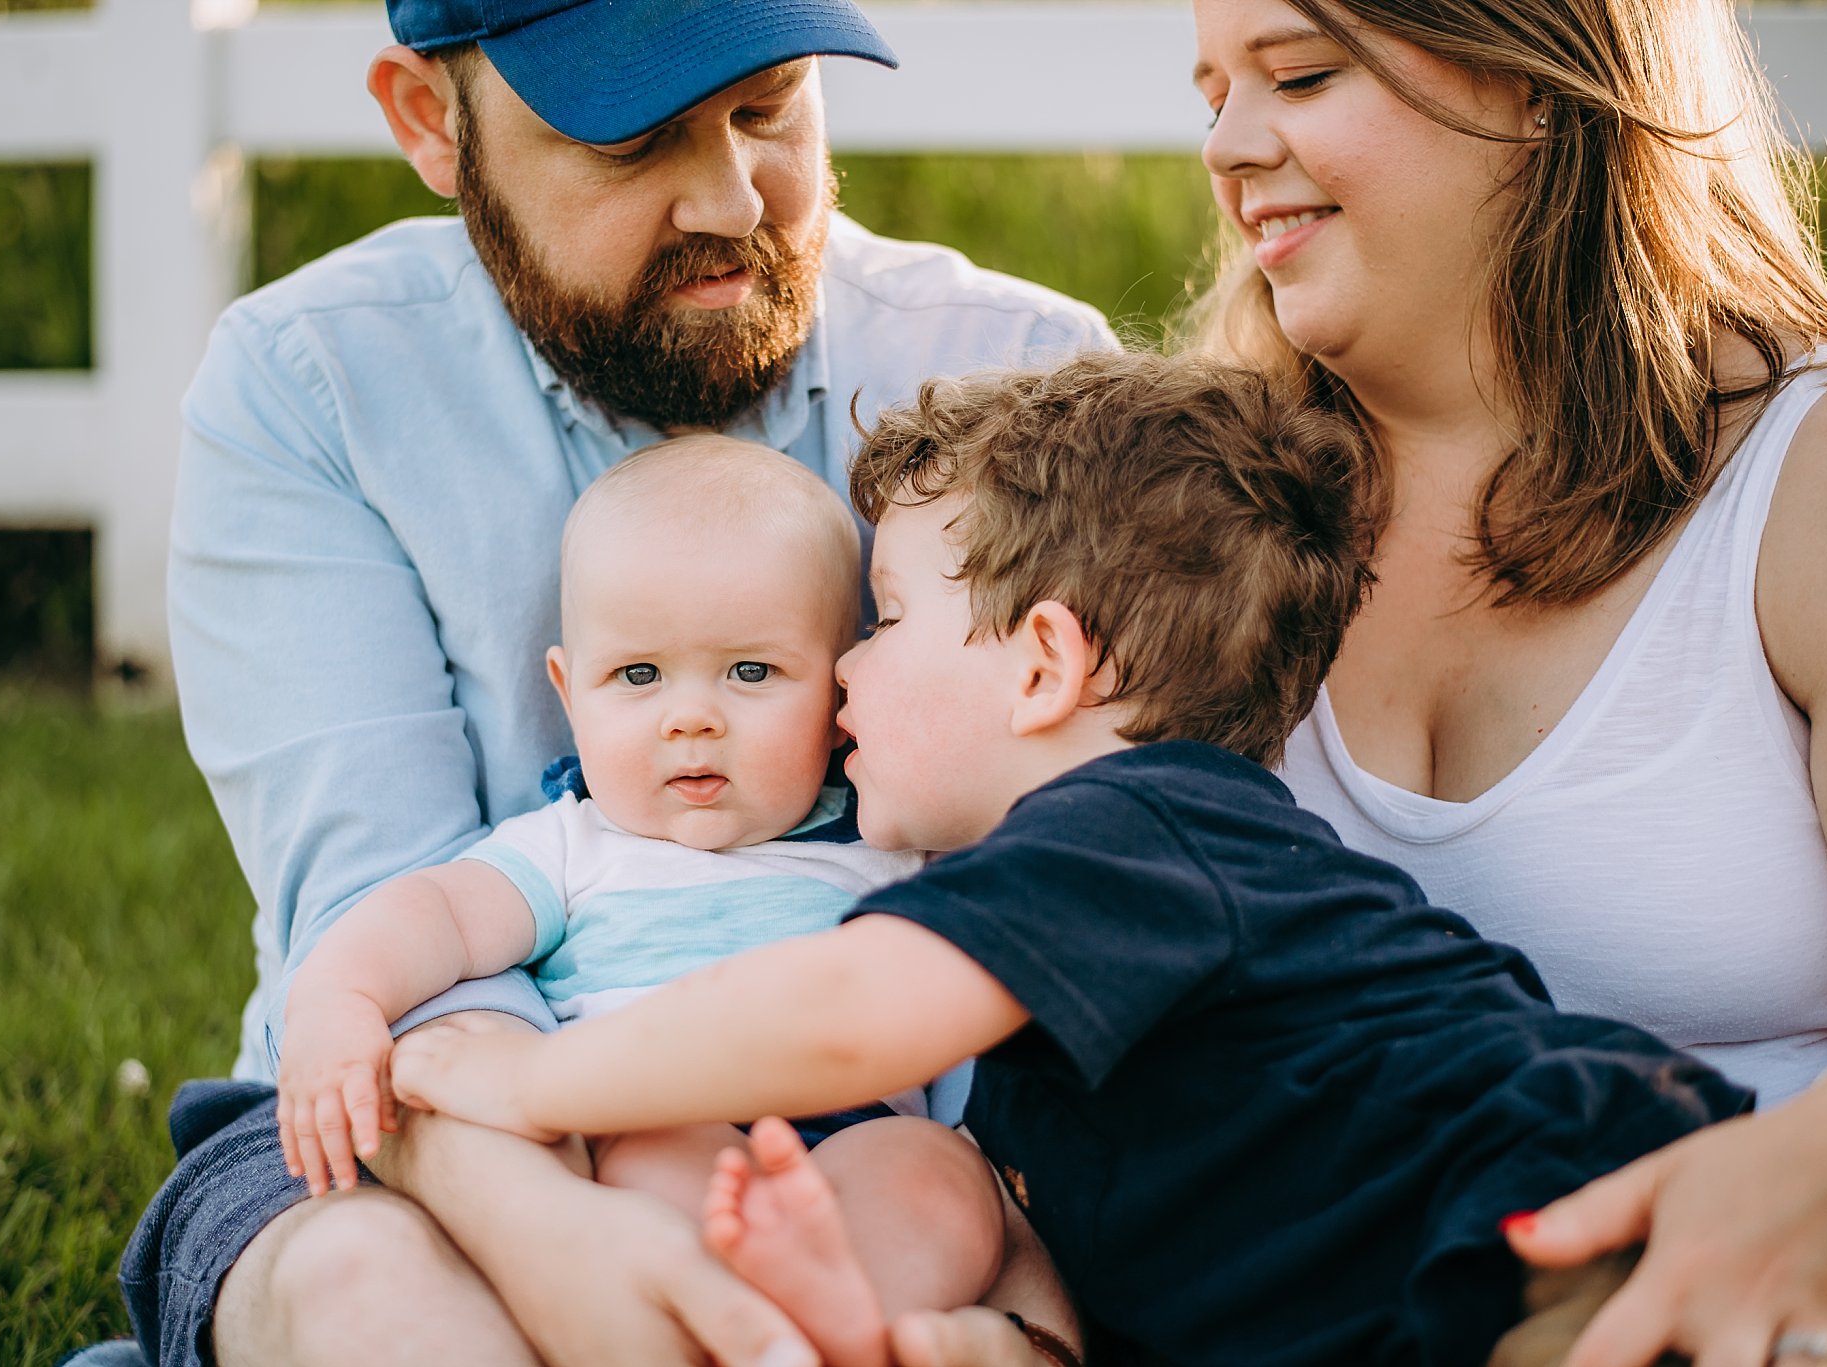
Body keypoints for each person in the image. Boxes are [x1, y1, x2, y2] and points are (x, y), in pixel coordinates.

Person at [385, 350, 1755, 1367]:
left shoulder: (1136, 823)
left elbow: (841, 1017)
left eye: (888, 619)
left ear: (1042, 662)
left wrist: (538, 1075)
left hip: (1544, 1208)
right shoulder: (1074, 942)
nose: (845, 669)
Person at [108, 0, 1117, 1364]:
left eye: (768, 108)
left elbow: (1104, 880)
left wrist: (1026, 1292)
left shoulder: (1028, 380)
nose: (726, 197)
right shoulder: (314, 388)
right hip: (387, 1118)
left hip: (903, 1129)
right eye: (633, 138)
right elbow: (381, 923)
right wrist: (546, 1221)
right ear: (431, 124)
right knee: (368, 1291)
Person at [1186, 0, 1827, 1362]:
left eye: (1300, 73)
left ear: (1539, 79)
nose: (1233, 146)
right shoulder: (1188, 523)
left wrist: (1814, 1168)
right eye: (1211, 95)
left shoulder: (1809, 480)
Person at [276, 435, 1005, 1367]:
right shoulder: (575, 848)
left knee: (944, 1177)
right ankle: (749, 1326)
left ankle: (835, 1326)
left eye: (750, 672)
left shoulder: (891, 842)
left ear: (841, 689)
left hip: (862, 1131)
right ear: (568, 693)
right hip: (661, 1115)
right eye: (638, 675)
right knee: (655, 1163)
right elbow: (437, 914)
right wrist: (338, 998)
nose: (690, 715)